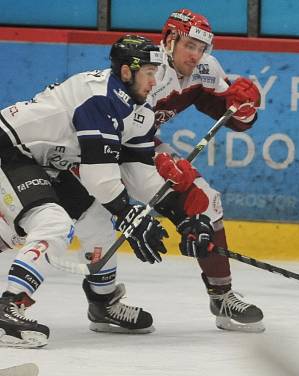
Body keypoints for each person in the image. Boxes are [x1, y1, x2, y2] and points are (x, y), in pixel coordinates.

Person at [0, 35, 173, 347]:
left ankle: (103, 303)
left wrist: (182, 212)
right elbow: (99, 177)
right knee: (53, 224)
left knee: (96, 219)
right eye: (148, 72)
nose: (154, 80)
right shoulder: (98, 97)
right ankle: (8, 306)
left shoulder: (140, 111)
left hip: (46, 163)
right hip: (10, 150)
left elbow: (139, 172)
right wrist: (128, 214)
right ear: (126, 72)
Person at [148, 8, 264, 332]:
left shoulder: (205, 68)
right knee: (67, 217)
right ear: (169, 40)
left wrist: (244, 109)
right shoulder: (147, 69)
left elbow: (232, 115)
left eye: (201, 48)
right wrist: (160, 161)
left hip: (143, 147)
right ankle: (103, 301)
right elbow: (119, 132)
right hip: (106, 148)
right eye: (188, 46)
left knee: (206, 199)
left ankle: (222, 296)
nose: (195, 54)